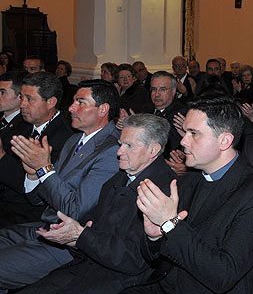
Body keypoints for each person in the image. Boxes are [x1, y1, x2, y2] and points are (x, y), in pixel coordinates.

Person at [123, 97, 253, 294]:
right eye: (185, 132)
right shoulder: (188, 181)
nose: (182, 141)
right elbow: (156, 259)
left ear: (224, 141)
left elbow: (223, 275)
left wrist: (170, 223)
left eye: (194, 134)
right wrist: (154, 237)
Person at [18, 114, 177, 294]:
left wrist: (81, 236)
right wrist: (72, 237)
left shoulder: (162, 191)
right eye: (120, 144)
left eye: (129, 146)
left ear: (153, 150)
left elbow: (135, 259)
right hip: (88, 267)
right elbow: (92, 229)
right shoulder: (119, 178)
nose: (119, 152)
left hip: (120, 282)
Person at [0, 79, 120, 292]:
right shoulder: (74, 140)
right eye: (73, 101)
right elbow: (38, 198)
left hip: (69, 243)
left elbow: (74, 210)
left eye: (80, 102)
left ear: (103, 109)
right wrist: (33, 174)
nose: (71, 108)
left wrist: (44, 170)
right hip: (44, 226)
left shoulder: (112, 150)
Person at [0, 72, 34, 227]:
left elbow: (20, 179)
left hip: (12, 208)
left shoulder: (26, 128)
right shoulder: (3, 121)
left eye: (2, 92)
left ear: (20, 96)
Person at [150, 72, 187, 161]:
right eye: (154, 89)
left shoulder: (181, 114)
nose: (157, 94)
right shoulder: (145, 110)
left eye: (162, 89)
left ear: (173, 91)